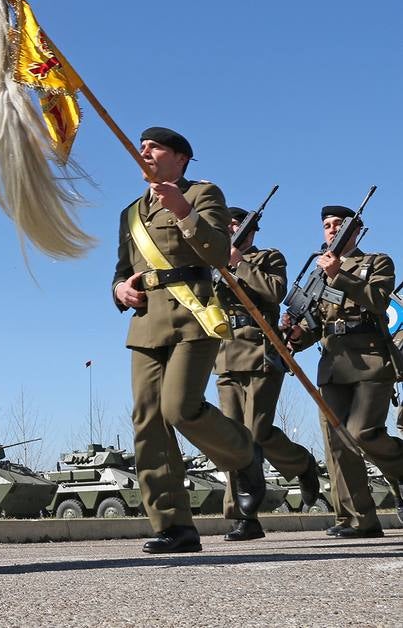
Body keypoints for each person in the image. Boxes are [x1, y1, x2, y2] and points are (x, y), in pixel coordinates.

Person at [111, 127, 265, 554]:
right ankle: (174, 526)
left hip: (193, 314)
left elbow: (218, 254)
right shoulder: (130, 214)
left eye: (154, 147)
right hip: (145, 322)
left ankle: (243, 453)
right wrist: (120, 291)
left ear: (180, 158)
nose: (144, 152)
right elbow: (121, 270)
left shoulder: (202, 193)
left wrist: (183, 211)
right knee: (148, 421)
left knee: (180, 408)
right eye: (141, 147)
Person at [286, 205, 402, 538]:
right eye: (327, 225)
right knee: (338, 444)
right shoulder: (318, 272)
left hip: (370, 359)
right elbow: (316, 323)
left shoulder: (376, 262)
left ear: (357, 230)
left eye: (339, 224)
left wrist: (340, 274)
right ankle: (359, 519)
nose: (332, 229)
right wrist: (297, 334)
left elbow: (379, 302)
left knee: (363, 433)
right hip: (334, 363)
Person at [213, 206, 321, 541]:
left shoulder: (268, 257)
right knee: (233, 439)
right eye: (226, 224)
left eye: (236, 224)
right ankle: (243, 517)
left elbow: (274, 293)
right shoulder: (212, 261)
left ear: (250, 231)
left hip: (260, 352)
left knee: (255, 433)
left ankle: (301, 464)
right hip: (225, 353)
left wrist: (239, 263)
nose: (230, 228)